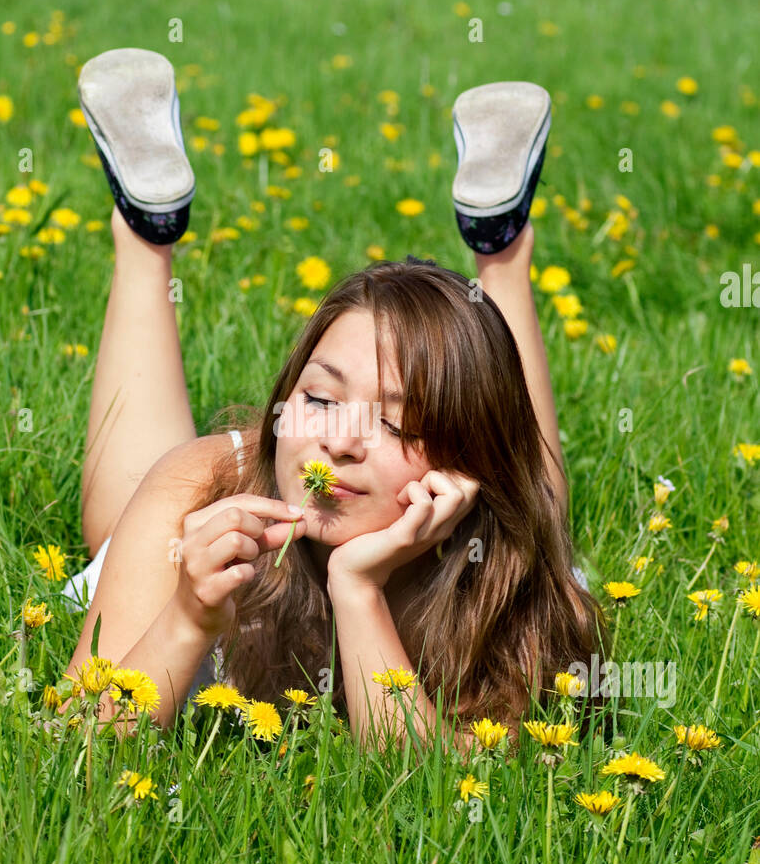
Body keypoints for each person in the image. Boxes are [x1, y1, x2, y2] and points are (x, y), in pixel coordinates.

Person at [61, 49, 606, 755]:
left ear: (463, 470)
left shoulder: (517, 598)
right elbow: (77, 743)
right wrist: (190, 617)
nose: (340, 440)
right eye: (318, 399)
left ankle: (501, 248)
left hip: (491, 523)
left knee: (538, 504)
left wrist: (358, 588)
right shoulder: (200, 500)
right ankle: (145, 230)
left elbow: (436, 787)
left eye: (395, 421)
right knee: (125, 510)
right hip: (194, 499)